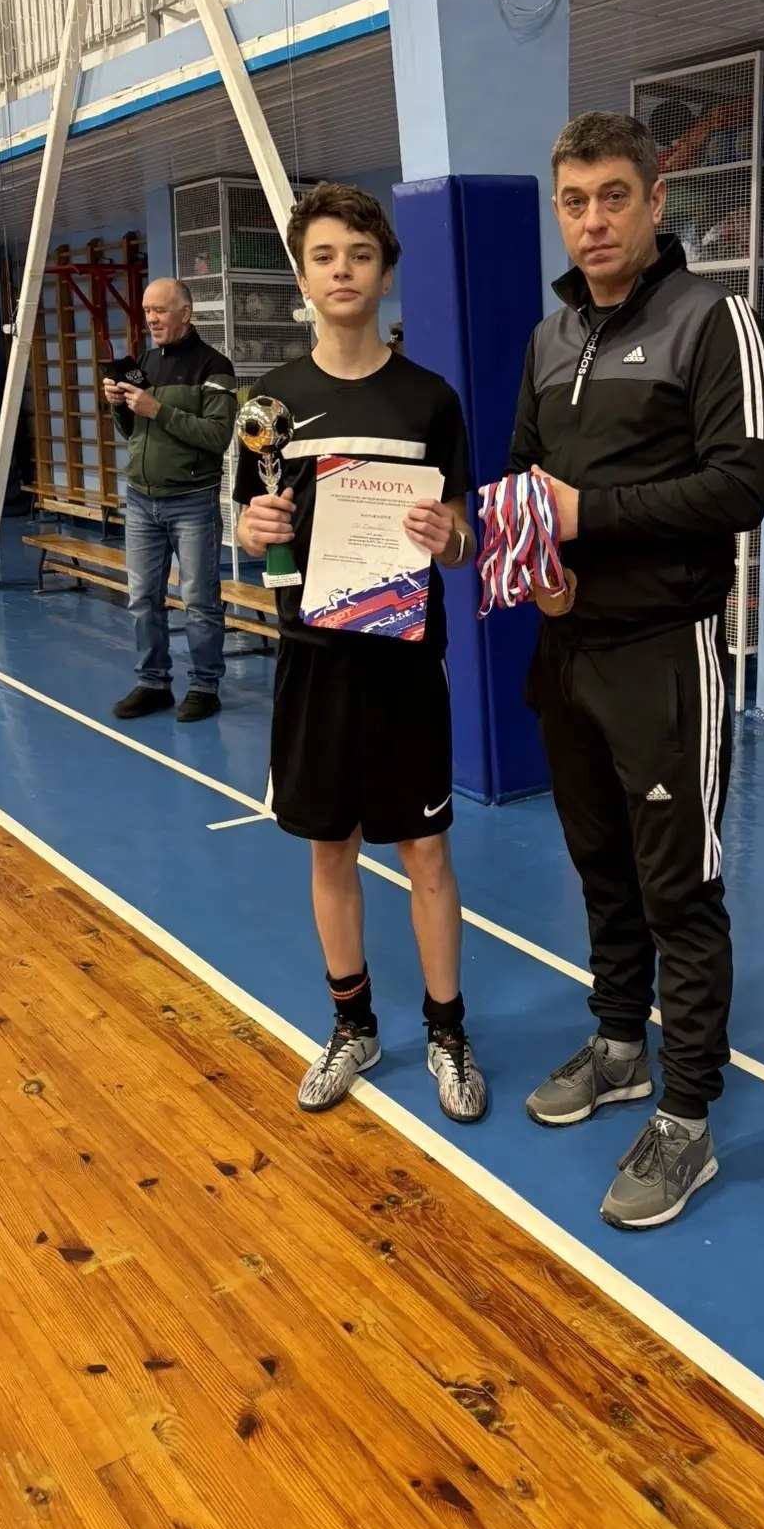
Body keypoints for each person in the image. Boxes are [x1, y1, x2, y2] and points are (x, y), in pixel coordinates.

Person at [508, 112, 764, 1229]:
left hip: (667, 653)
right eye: (574, 201)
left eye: (614, 196)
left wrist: (591, 517)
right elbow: (529, 478)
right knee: (600, 866)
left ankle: (688, 1114)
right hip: (565, 650)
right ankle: (621, 1042)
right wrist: (532, 558)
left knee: (679, 886)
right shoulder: (549, 336)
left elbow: (740, 488)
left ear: (656, 202)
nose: (594, 220)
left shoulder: (714, 321)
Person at [236, 183, 487, 1123]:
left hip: (405, 663)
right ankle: (353, 1026)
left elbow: (462, 535)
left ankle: (447, 1033)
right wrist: (254, 530)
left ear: (385, 273)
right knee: (329, 849)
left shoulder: (430, 399)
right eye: (324, 257)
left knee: (426, 851)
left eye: (360, 255)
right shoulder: (271, 404)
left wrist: (448, 537)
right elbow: (253, 526)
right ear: (303, 278)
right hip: (314, 660)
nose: (342, 271)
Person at [104, 277, 236, 724]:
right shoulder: (145, 362)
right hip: (142, 500)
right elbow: (133, 432)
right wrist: (119, 405)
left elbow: (217, 436)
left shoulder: (214, 366)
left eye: (160, 310)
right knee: (142, 597)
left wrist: (157, 410)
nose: (152, 319)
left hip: (192, 501)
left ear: (185, 313)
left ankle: (204, 687)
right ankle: (153, 683)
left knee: (199, 599)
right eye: (147, 311)